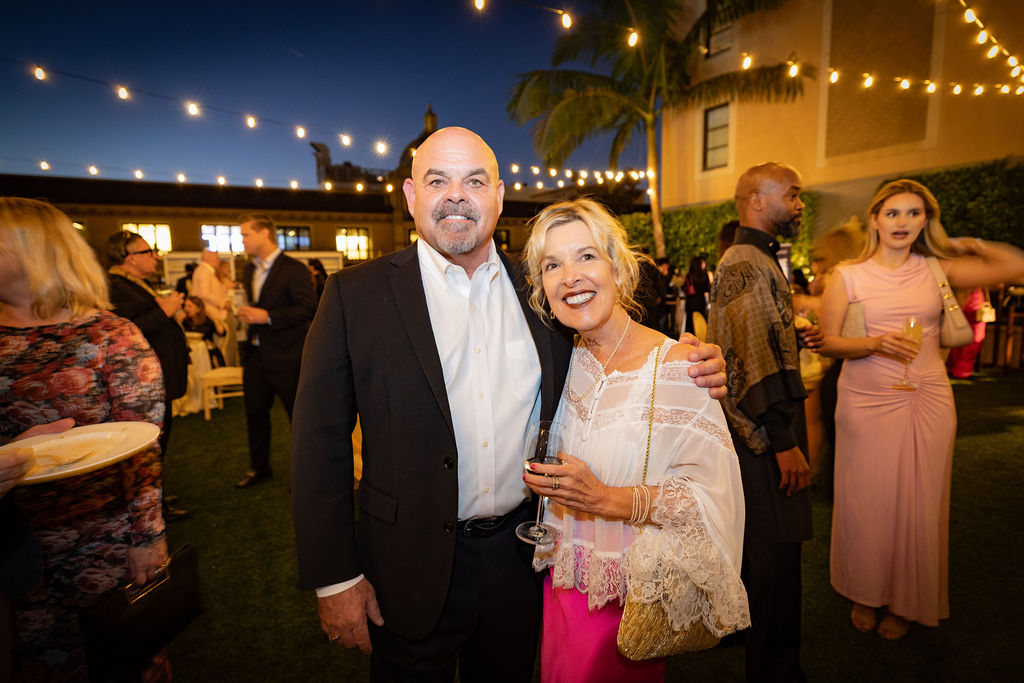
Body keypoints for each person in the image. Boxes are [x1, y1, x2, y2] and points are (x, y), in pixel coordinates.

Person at [290, 127, 728, 682]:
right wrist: (336, 578)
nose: (456, 195)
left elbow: (613, 346)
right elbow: (318, 443)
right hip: (405, 563)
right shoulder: (354, 295)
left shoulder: (544, 287)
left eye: (474, 181)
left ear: (498, 196)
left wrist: (687, 360)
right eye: (437, 181)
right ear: (411, 196)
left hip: (520, 560)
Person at [522, 198, 750, 681]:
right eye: (552, 265)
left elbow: (715, 500)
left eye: (586, 256)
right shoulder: (559, 361)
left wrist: (606, 498)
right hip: (560, 583)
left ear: (619, 268)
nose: (570, 277)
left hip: (628, 600)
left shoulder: (679, 367)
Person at [817, 179, 1024, 640]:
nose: (903, 222)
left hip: (927, 396)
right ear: (875, 219)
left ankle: (907, 601)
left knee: (919, 502)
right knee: (868, 501)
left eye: (914, 214)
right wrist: (874, 342)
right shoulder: (848, 276)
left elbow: (1016, 264)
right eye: (893, 213)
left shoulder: (937, 269)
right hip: (866, 400)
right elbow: (829, 341)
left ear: (925, 222)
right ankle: (866, 591)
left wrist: (969, 244)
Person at [0, 197, 169, 680]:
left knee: (120, 656)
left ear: (37, 251)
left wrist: (147, 537)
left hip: (100, 534)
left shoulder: (109, 335)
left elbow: (143, 449)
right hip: (12, 539)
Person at [706, 162, 820, 683]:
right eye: (791, 195)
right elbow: (752, 356)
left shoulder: (752, 256)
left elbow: (758, 337)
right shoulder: (747, 261)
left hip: (758, 431)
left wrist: (794, 334)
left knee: (761, 555)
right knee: (775, 562)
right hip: (763, 435)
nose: (799, 204)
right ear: (757, 200)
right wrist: (783, 441)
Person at [106, 229, 192, 521]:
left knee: (159, 442)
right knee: (150, 444)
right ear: (129, 258)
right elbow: (125, 332)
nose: (155, 256)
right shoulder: (116, 286)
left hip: (157, 374)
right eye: (147, 252)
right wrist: (165, 310)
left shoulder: (134, 283)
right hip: (144, 379)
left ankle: (157, 497)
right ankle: (150, 506)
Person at [235, 213, 317, 489]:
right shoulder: (249, 270)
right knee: (255, 414)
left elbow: (308, 308)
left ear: (264, 234)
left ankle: (306, 473)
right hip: (256, 355)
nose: (242, 240)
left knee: (298, 418)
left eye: (246, 234)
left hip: (287, 356)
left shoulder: (294, 269)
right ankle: (259, 468)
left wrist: (267, 316)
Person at [183, 295, 226, 367]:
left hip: (207, 352)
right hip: (190, 351)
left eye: (189, 306)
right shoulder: (185, 321)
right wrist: (179, 321)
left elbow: (221, 333)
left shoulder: (207, 320)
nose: (186, 308)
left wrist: (215, 319)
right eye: (185, 305)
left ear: (198, 309)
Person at [682, 256, 711, 336]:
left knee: (690, 325)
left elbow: (685, 289)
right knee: (700, 324)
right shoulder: (705, 275)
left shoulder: (689, 275)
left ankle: (689, 341)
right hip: (701, 302)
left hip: (690, 302)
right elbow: (707, 289)